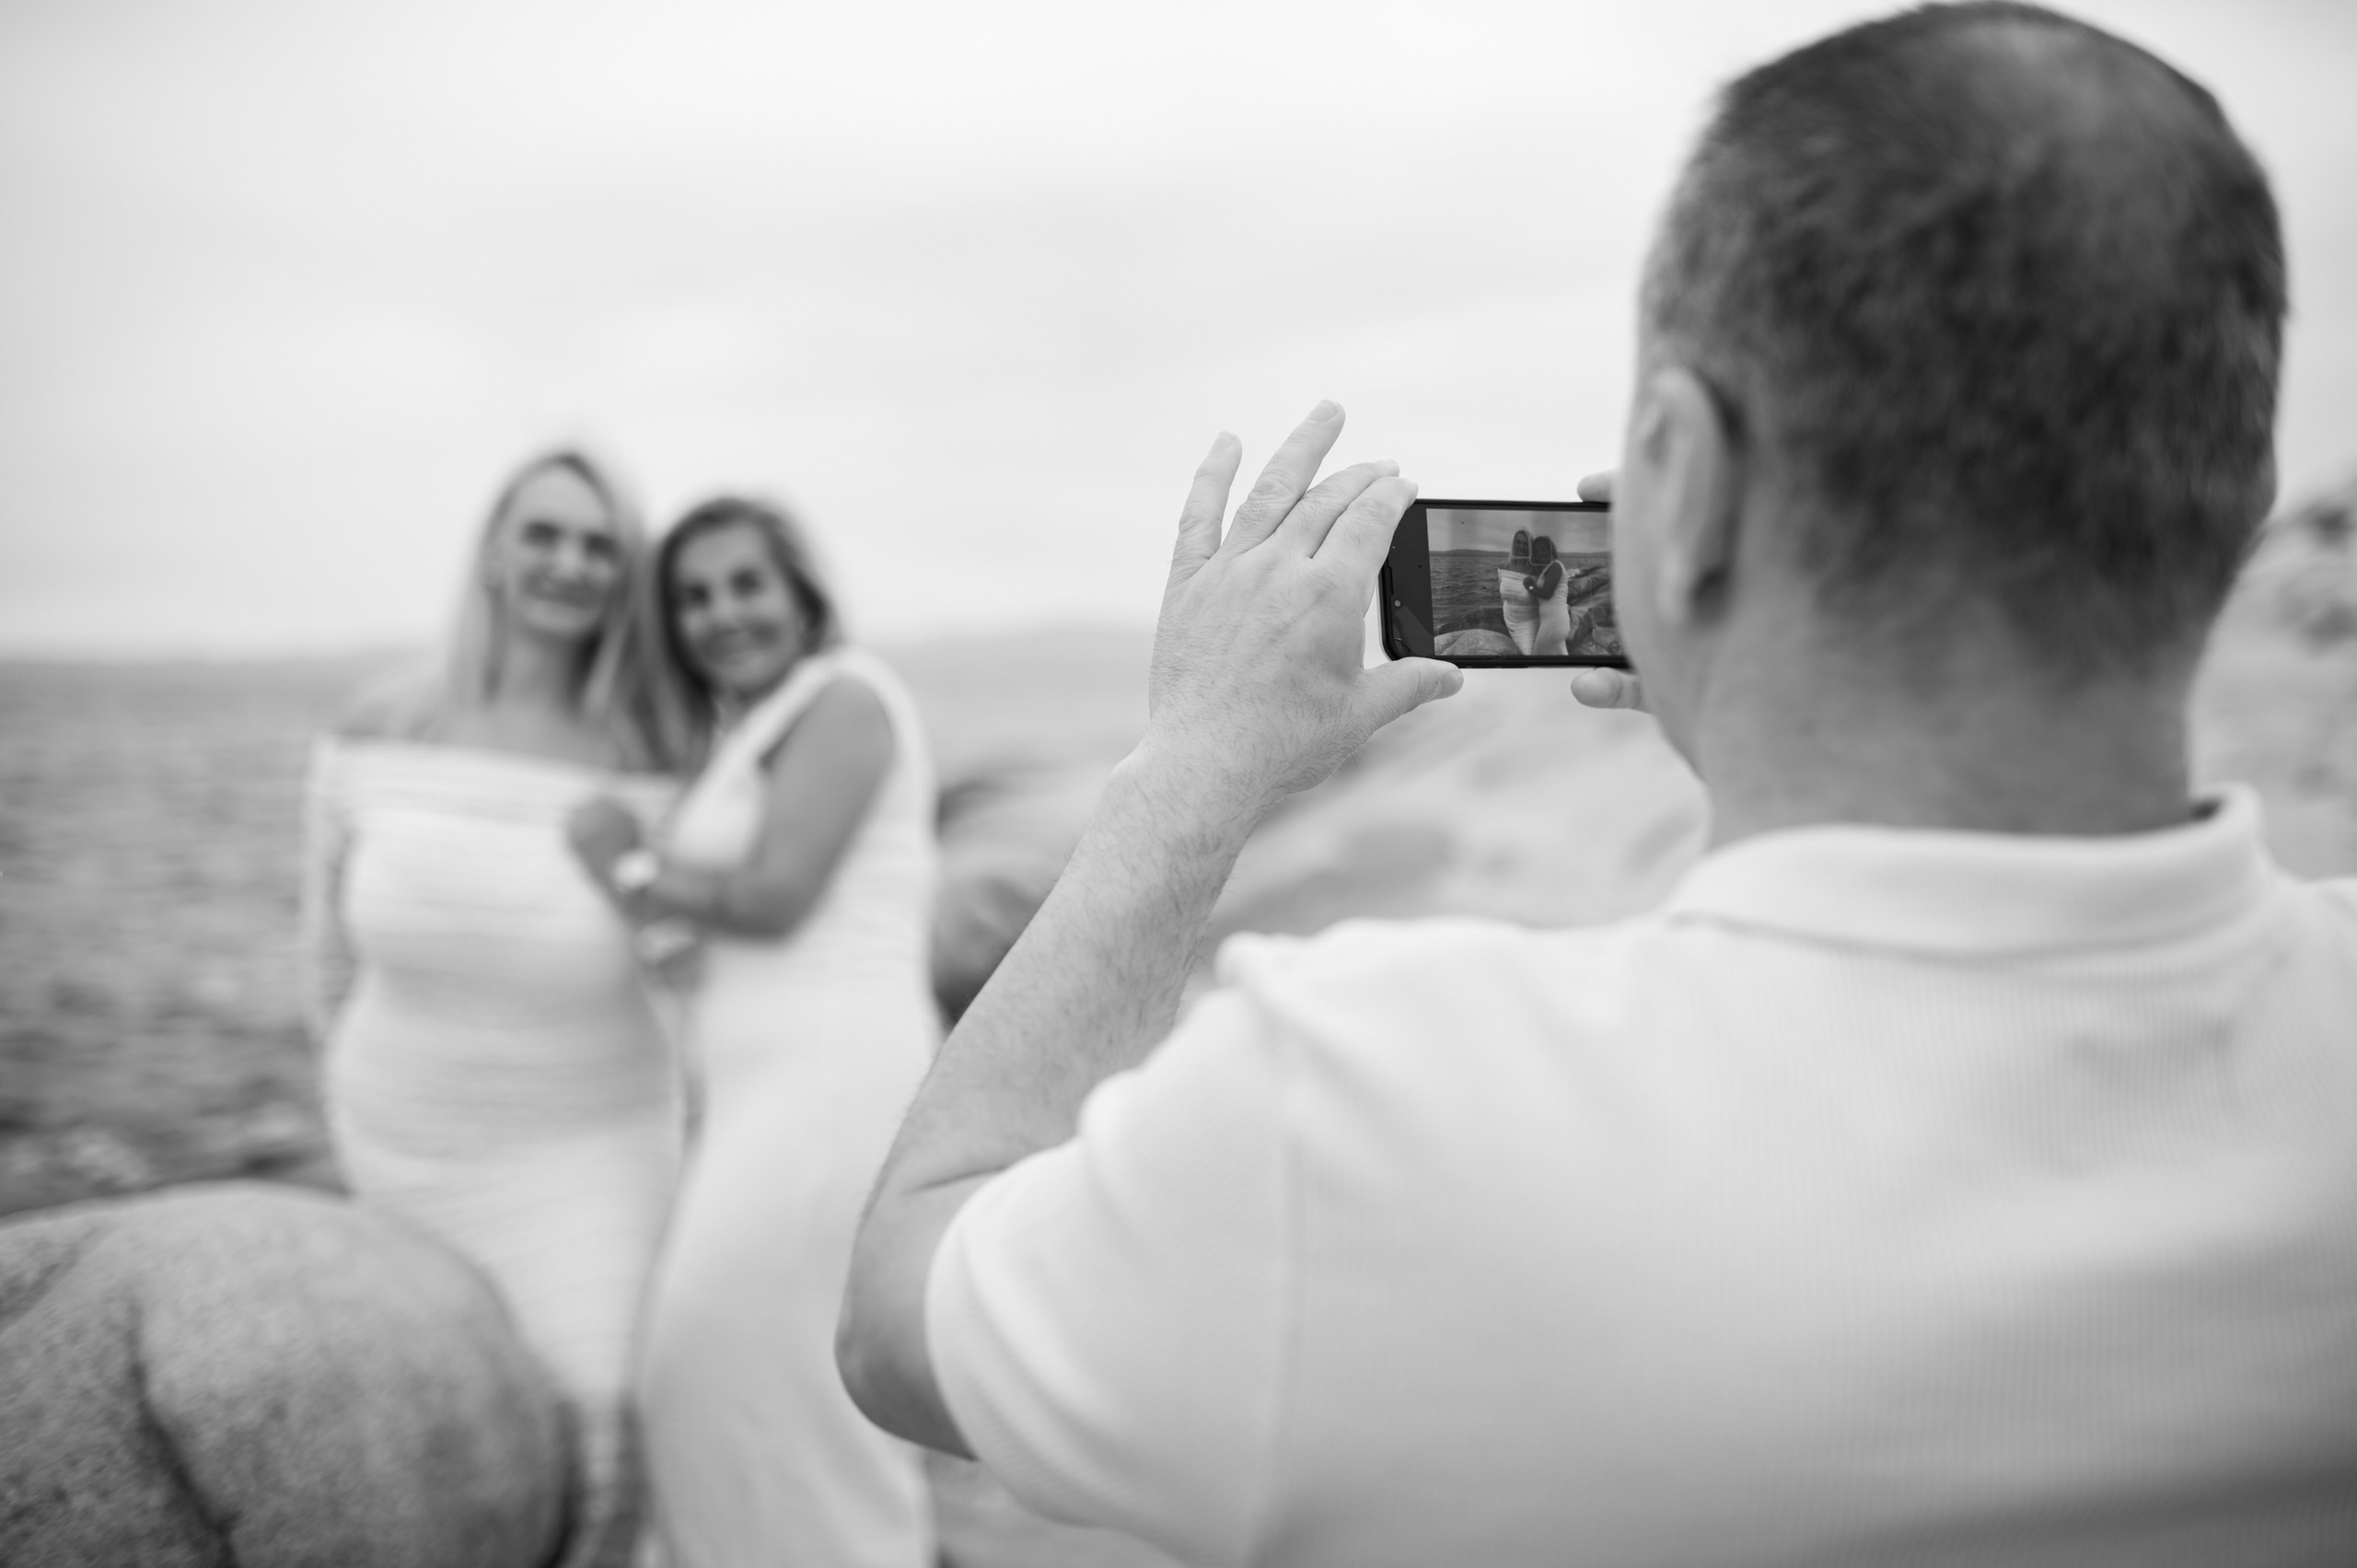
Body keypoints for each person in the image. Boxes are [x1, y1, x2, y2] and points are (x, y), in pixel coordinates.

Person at [839, 6, 2357, 1564]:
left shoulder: (1366, 1110)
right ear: (2240, 503)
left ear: (1680, 476)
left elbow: (903, 1297)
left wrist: (1190, 769)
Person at [299, 448, 680, 1568]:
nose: (569, 562)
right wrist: (351, 1107)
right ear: (497, 550)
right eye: (546, 533)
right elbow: (321, 953)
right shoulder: (379, 723)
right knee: (412, 1452)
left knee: (601, 1454)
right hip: (396, 1151)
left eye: (599, 543)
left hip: (588, 1157)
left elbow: (686, 955)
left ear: (623, 574)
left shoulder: (652, 750)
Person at [566, 497, 938, 1568]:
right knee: (747, 1386)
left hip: (827, 1090)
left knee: (717, 1367)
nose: (721, 613)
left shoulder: (845, 697)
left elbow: (775, 894)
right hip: (757, 1100)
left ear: (799, 593)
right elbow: (707, 929)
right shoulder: (757, 729)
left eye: (745, 584)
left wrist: (625, 863)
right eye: (692, 595)